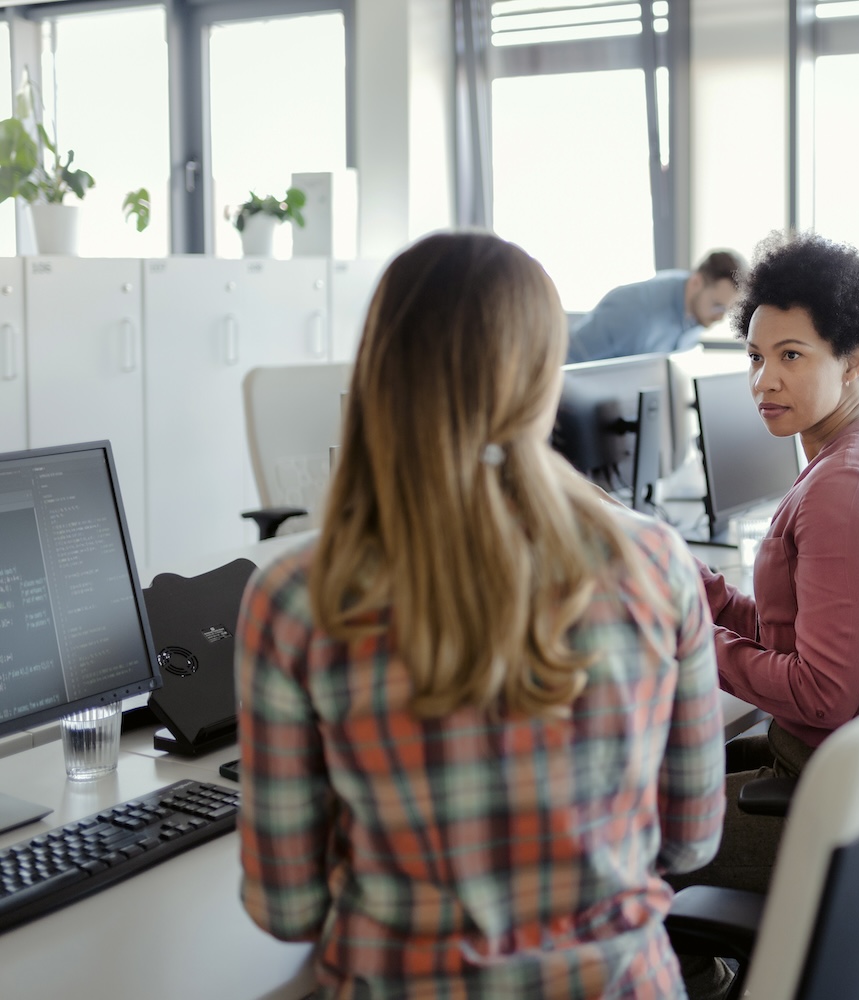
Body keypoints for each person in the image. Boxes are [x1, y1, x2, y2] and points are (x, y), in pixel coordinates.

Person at [236, 232, 726, 999]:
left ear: (379, 369)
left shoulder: (297, 596)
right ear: (542, 374)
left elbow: (288, 907)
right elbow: (693, 841)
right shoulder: (657, 563)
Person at [670, 232, 859, 999]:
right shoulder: (858, 453)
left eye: (792, 356)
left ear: (853, 360)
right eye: (755, 358)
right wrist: (686, 582)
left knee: (618, 832)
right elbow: (798, 632)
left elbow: (822, 690)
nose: (764, 380)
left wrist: (691, 640)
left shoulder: (841, 487)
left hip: (847, 810)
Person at [567, 249, 746, 363]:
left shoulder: (698, 312)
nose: (720, 318)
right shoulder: (633, 310)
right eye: (717, 306)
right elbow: (567, 362)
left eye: (726, 311)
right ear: (696, 282)